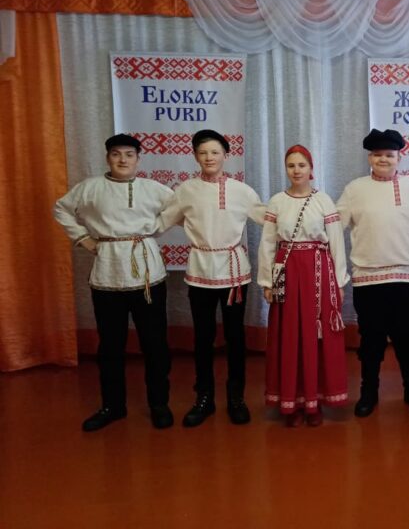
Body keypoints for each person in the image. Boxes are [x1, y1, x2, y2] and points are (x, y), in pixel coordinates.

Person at [53, 133, 173, 431]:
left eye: (129, 154)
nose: (123, 160)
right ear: (108, 157)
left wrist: (154, 229)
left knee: (155, 343)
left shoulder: (152, 188)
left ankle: (159, 403)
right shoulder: (90, 188)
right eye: (116, 154)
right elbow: (61, 208)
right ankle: (113, 405)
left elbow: (179, 208)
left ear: (138, 159)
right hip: (108, 273)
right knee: (110, 345)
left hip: (147, 274)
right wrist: (83, 238)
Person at [157, 129, 264, 427]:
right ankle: (204, 397)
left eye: (215, 152)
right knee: (203, 337)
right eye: (203, 152)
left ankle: (236, 397)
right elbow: (162, 221)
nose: (209, 157)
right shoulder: (186, 190)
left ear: (226, 155)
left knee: (235, 337)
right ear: (195, 156)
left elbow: (268, 218)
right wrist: (123, 233)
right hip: (201, 272)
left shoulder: (242, 191)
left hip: (234, 273)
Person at [336, 128, 409, 418]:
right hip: (367, 278)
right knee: (371, 339)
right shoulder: (355, 189)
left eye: (389, 155)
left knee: (407, 339)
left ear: (399, 158)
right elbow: (333, 224)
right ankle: (368, 393)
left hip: (405, 277)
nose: (383, 159)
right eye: (377, 155)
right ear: (370, 158)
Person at [258, 145, 349, 427]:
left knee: (315, 335)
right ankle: (291, 400)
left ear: (311, 168)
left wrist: (339, 282)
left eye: (301, 165)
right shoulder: (277, 202)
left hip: (318, 273)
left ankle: (314, 401)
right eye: (291, 165)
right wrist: (267, 281)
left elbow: (336, 243)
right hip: (286, 271)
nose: (296, 170)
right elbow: (267, 243)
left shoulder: (323, 201)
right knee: (289, 334)